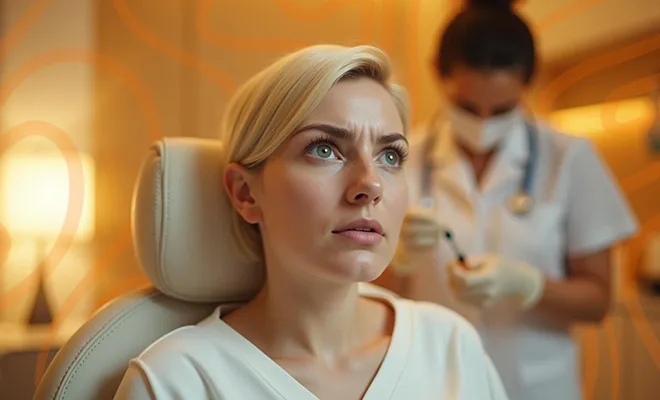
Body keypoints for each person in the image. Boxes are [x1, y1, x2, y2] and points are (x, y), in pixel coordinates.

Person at [113, 44, 509, 400]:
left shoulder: (450, 347)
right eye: (324, 149)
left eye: (391, 156)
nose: (370, 184)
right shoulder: (177, 381)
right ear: (246, 194)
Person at [375, 1, 639, 400]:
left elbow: (598, 302)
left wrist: (529, 285)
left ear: (526, 84)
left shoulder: (569, 158)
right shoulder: (401, 157)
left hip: (536, 386)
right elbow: (369, 299)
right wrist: (399, 259)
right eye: (467, 107)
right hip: (432, 383)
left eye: (502, 109)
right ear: (438, 73)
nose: (483, 122)